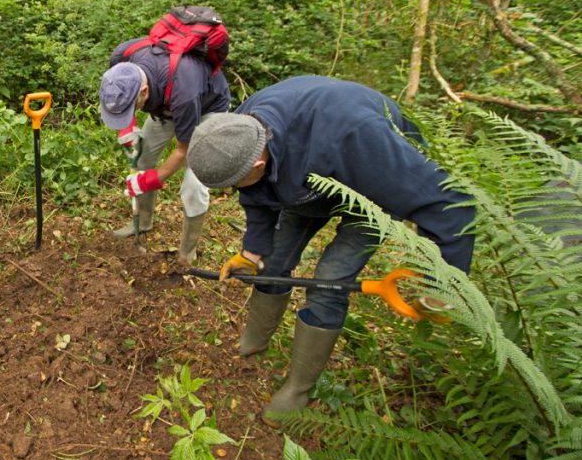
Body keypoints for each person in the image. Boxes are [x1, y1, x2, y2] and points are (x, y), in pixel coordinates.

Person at [185, 75, 474, 424]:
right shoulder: (239, 130)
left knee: (329, 280)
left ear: (258, 164)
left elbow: (449, 204)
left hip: (370, 186)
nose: (232, 193)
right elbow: (255, 194)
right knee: (273, 261)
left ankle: (297, 388)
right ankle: (256, 337)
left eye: (234, 184)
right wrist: (252, 251)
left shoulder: (361, 136)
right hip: (303, 181)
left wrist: (443, 285)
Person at [98, 38, 231, 263]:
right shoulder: (122, 61)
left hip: (208, 109)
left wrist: (151, 180)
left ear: (145, 90)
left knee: (193, 185)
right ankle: (143, 222)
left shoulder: (184, 92)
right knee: (141, 160)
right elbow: (120, 95)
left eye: (134, 107)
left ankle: (187, 252)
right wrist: (127, 126)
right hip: (166, 105)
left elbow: (183, 149)